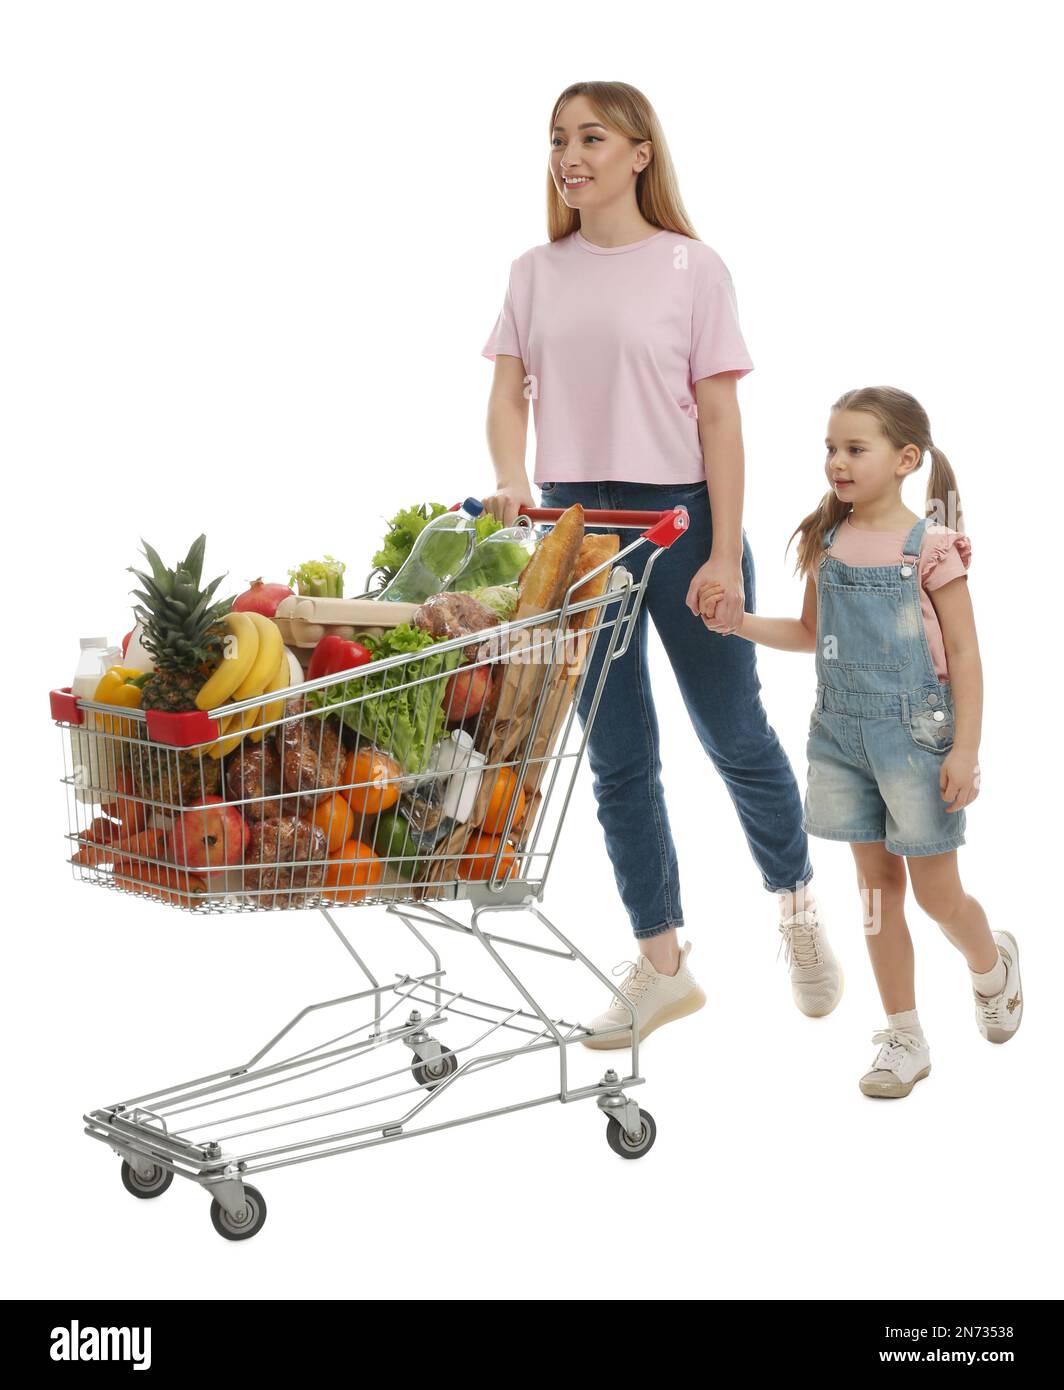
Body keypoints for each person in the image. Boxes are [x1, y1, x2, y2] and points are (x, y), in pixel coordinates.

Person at [480, 80, 841, 1049]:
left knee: (733, 732)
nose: (569, 154)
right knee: (617, 753)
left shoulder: (692, 268)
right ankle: (660, 962)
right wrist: (513, 480)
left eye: (591, 137)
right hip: (575, 530)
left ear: (639, 152)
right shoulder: (531, 271)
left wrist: (722, 547)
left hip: (679, 524)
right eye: (558, 138)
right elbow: (509, 397)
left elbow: (719, 416)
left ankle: (797, 906)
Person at [698, 386, 1021, 1096]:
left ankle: (990, 964)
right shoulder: (827, 541)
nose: (836, 462)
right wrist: (740, 623)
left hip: (917, 740)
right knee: (876, 892)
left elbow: (964, 656)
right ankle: (903, 1035)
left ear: (906, 459)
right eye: (829, 448)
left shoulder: (931, 549)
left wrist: (965, 750)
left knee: (938, 898)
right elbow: (812, 635)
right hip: (841, 740)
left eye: (854, 448)